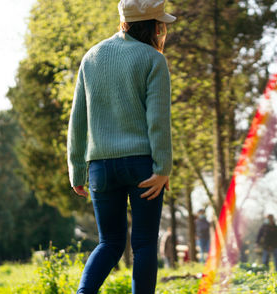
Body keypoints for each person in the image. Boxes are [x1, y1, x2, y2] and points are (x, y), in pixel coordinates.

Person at [67, 0, 175, 292]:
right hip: (142, 165)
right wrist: (163, 167)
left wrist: (77, 170)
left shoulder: (92, 57)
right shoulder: (153, 60)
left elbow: (78, 119)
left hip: (100, 167)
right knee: (142, 245)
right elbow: (158, 121)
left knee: (109, 243)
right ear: (154, 26)